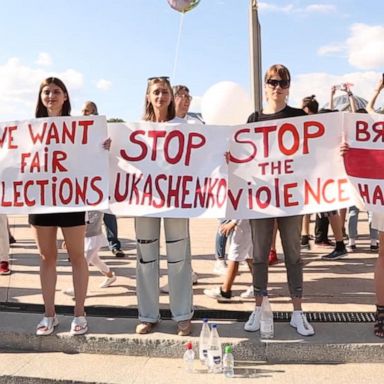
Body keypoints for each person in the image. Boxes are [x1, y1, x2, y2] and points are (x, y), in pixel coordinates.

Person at [30, 78, 108, 336]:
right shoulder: (29, 130)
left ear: (65, 97)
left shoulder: (79, 128)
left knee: (77, 256)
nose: (51, 96)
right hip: (41, 198)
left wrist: (102, 147)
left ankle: (79, 314)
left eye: (56, 92)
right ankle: (49, 314)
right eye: (47, 92)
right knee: (46, 257)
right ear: (41, 97)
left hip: (70, 198)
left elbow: (89, 157)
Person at [243, 64, 314, 336]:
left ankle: (298, 311)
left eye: (283, 82)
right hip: (261, 197)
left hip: (291, 196)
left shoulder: (298, 116)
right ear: (265, 84)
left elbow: (316, 151)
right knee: (259, 254)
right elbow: (245, 155)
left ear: (289, 86)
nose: (277, 87)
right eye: (273, 82)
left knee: (293, 254)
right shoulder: (254, 118)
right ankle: (259, 307)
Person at [135, 76, 193, 336]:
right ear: (148, 96)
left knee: (179, 258)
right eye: (156, 92)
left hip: (176, 201)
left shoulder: (185, 126)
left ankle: (182, 315)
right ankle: (148, 315)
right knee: (145, 258)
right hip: (145, 201)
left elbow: (204, 156)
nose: (161, 97)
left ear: (171, 96)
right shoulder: (135, 129)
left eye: (165, 92)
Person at [81, 101, 125, 258]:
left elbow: (115, 154)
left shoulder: (104, 132)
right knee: (83, 217)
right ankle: (80, 248)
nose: (87, 114)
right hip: (84, 182)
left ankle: (114, 245)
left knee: (108, 214)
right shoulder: (77, 132)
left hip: (102, 180)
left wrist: (110, 146)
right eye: (85, 111)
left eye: (90, 111)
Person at [63, 210, 117, 297]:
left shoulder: (98, 206)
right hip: (86, 237)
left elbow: (88, 223)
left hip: (94, 237)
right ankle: (110, 276)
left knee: (83, 263)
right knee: (95, 261)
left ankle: (77, 289)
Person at [204, 220, 253, 300]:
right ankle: (258, 286)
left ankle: (225, 290)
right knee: (250, 255)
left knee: (234, 256)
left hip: (243, 223)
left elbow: (243, 208)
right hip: (249, 221)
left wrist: (233, 222)